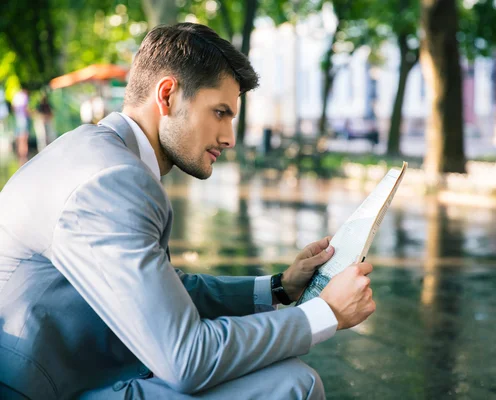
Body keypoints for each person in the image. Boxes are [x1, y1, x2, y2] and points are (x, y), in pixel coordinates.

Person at [0, 23, 376, 399]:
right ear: (167, 96)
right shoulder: (111, 180)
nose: (229, 136)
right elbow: (186, 360)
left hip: (73, 371)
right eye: (220, 112)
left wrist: (279, 287)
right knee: (295, 384)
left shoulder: (101, 154)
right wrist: (326, 313)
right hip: (51, 389)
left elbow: (164, 290)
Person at [11, 88, 30, 163]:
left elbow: (13, 108)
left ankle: (21, 156)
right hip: (23, 119)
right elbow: (26, 108)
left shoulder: (16, 96)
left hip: (17, 119)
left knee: (19, 138)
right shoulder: (24, 96)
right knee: (24, 138)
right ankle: (24, 156)